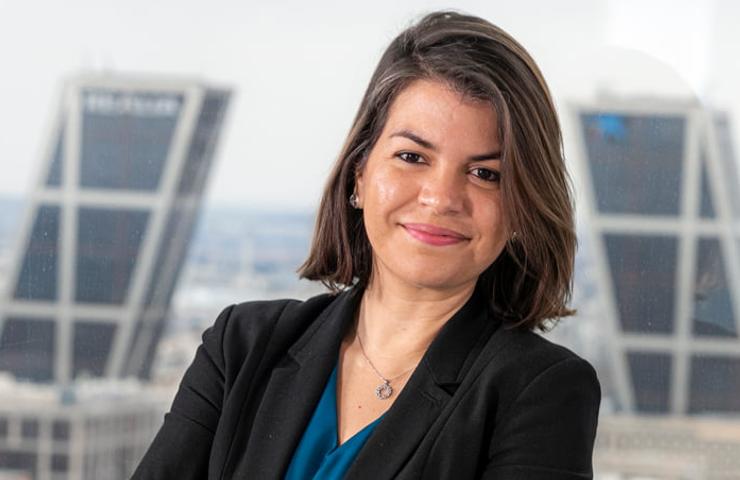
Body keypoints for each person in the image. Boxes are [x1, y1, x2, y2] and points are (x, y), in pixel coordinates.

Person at [132, 10, 600, 480]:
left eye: (485, 174)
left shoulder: (541, 391)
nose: (440, 198)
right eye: (412, 157)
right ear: (360, 172)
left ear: (521, 206)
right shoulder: (241, 347)